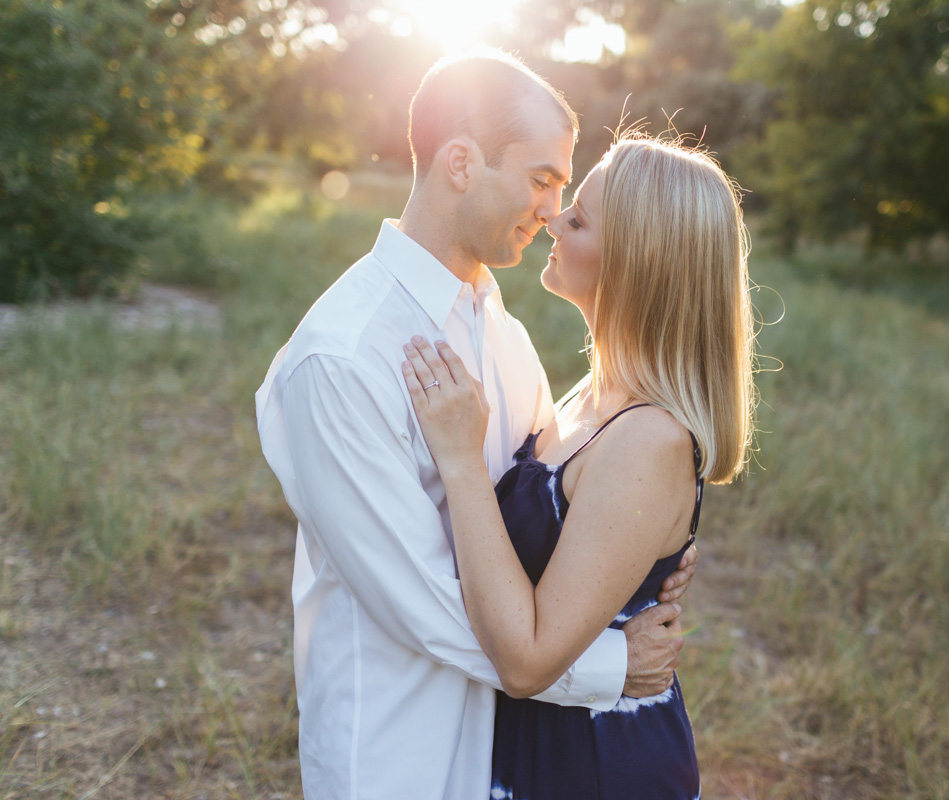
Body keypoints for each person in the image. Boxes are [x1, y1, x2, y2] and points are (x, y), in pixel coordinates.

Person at [254, 52, 697, 800]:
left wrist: (642, 552)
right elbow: (418, 598)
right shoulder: (342, 357)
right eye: (541, 179)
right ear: (461, 162)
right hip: (398, 754)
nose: (554, 211)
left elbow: (550, 512)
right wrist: (609, 665)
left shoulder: (502, 333)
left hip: (510, 750)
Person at [401, 134, 756, 799]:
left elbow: (529, 661)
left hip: (595, 765)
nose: (553, 217)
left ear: (637, 263)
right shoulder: (588, 395)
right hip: (537, 745)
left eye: (581, 219)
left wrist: (461, 461)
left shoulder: (649, 438)